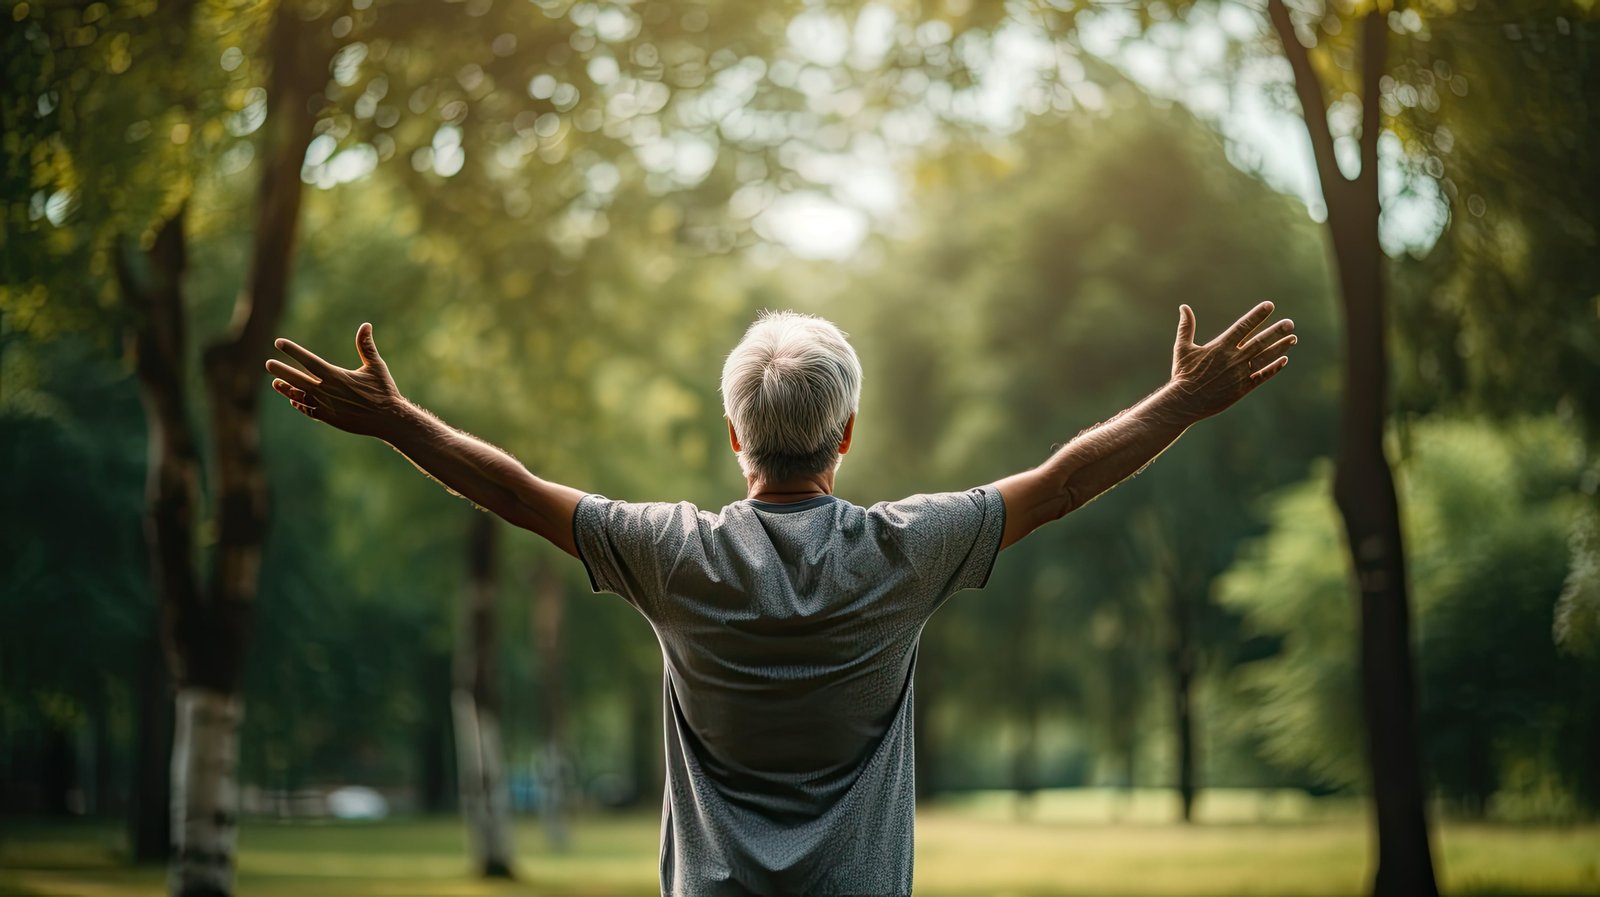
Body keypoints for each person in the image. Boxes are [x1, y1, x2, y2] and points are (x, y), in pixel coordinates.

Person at [265, 302, 1295, 896]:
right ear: (843, 436)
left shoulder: (668, 554)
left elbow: (513, 490)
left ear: (733, 435)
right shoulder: (909, 550)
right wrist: (1182, 399)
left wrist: (398, 422)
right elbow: (1064, 480)